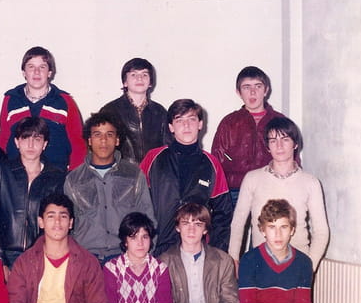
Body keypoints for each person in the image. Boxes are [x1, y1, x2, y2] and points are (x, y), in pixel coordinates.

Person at [229, 117, 329, 270]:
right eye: (273, 140)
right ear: (268, 146)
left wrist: (309, 267)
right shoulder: (252, 179)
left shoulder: (310, 183)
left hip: (297, 265)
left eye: (285, 139)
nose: (279, 146)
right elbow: (238, 223)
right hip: (261, 265)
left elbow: (321, 231)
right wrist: (233, 259)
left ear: (295, 144)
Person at [140, 98, 233, 257]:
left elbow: (223, 214)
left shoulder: (211, 164)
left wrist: (216, 253)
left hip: (196, 251)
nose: (186, 125)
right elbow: (137, 204)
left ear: (200, 124)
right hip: (157, 248)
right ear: (171, 127)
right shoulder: (153, 159)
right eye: (179, 120)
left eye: (191, 119)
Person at [65, 111, 154, 264]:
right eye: (97, 135)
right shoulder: (73, 180)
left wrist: (144, 259)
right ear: (89, 140)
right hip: (86, 259)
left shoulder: (134, 175)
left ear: (117, 140)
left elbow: (149, 219)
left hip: (126, 257)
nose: (103, 140)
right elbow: (67, 226)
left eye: (109, 134)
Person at [0, 116, 66, 278]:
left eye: (37, 139)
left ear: (45, 144)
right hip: (7, 254)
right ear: (17, 142)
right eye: (25, 138)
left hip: (41, 255)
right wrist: (0, 262)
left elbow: (57, 220)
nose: (30, 144)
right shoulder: (2, 171)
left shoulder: (56, 176)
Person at [0, 46, 85, 170]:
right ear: (24, 72)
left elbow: (78, 143)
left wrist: (73, 175)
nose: (36, 72)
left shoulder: (64, 101)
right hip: (16, 172)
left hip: (56, 173)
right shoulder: (11, 99)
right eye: (31, 67)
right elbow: (4, 138)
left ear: (49, 72)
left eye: (42, 67)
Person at [210, 66, 287, 207]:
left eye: (258, 86)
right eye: (246, 87)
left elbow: (292, 158)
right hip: (235, 192)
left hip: (272, 189)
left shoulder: (280, 121)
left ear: (266, 90)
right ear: (238, 92)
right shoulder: (229, 123)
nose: (253, 92)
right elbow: (216, 162)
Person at [99, 57, 170, 163]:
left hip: (152, 171)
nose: (139, 78)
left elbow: (167, 148)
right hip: (121, 171)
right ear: (125, 82)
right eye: (133, 75)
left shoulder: (160, 112)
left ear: (150, 82)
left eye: (144, 74)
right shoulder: (109, 111)